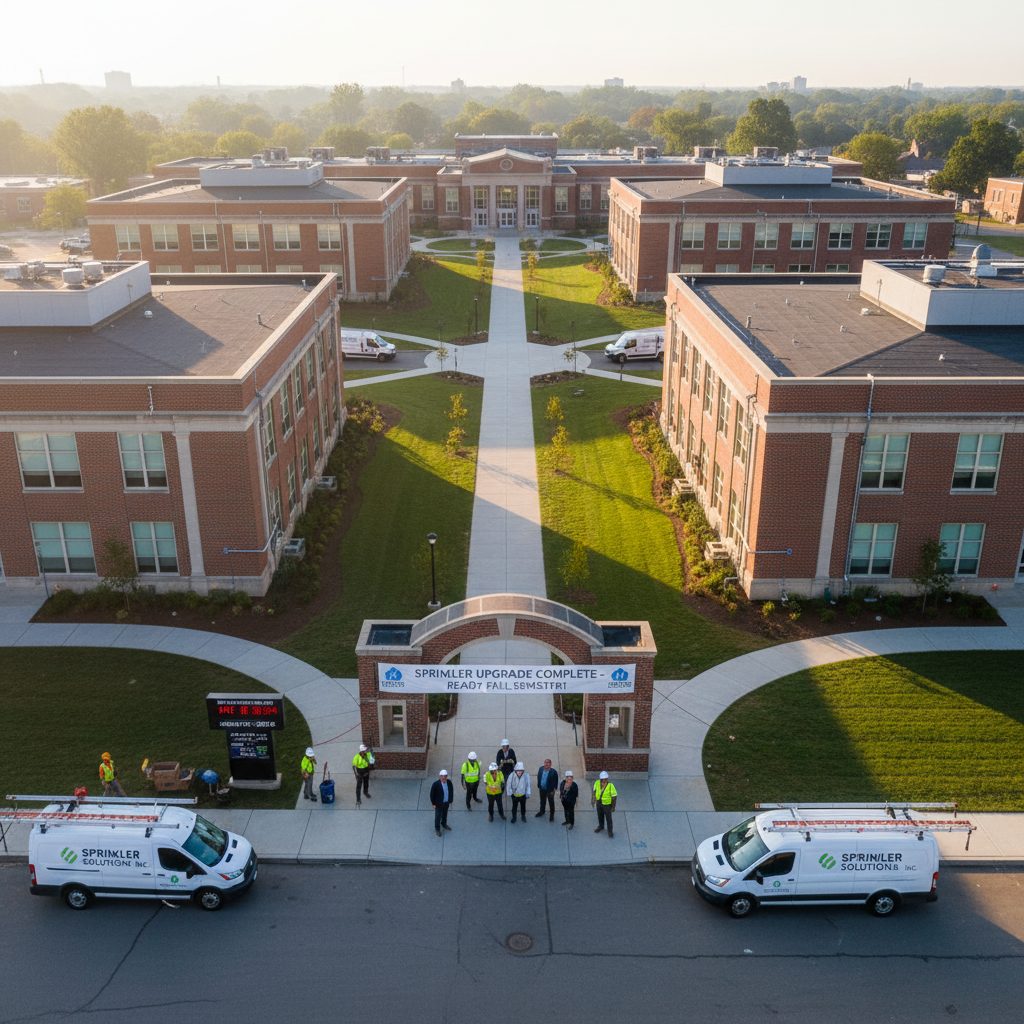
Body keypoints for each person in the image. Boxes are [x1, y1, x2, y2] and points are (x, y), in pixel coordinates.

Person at [592, 771, 617, 837]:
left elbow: (614, 797)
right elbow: (594, 791)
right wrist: (593, 800)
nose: (604, 780)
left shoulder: (610, 786)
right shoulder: (597, 783)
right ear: (600, 779)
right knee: (600, 816)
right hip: (599, 803)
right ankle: (601, 826)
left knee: (609, 819)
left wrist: (613, 807)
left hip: (607, 805)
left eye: (605, 779)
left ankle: (610, 831)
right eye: (603, 779)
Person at [430, 769, 454, 836]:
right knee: (437, 817)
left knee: (444, 815)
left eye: (444, 776)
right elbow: (432, 795)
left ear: (446, 776)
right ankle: (437, 829)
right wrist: (433, 804)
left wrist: (450, 800)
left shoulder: (449, 782)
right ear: (440, 776)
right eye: (441, 776)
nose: (443, 778)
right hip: (438, 804)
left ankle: (444, 824)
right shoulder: (435, 784)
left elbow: (451, 791)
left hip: (446, 803)